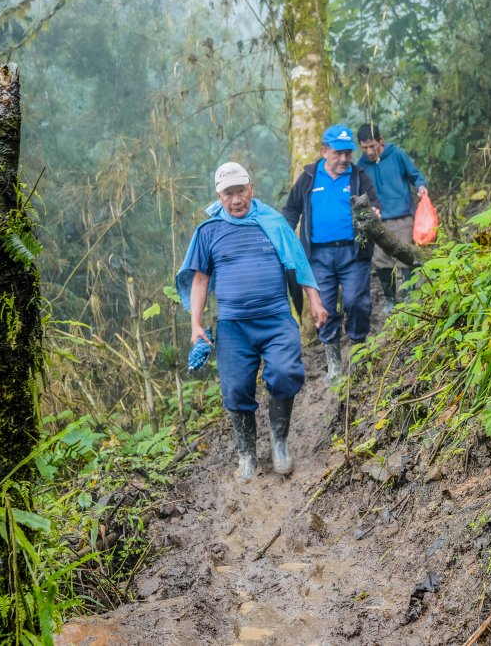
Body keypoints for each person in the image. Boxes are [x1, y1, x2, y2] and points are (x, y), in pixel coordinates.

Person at [176, 162, 329, 483]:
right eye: (228, 194)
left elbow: (299, 261)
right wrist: (196, 325)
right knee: (235, 388)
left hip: (275, 318)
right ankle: (246, 454)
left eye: (240, 191)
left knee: (287, 372)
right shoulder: (208, 231)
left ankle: (279, 442)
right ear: (219, 196)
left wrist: (315, 300)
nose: (236, 200)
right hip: (233, 326)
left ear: (251, 189)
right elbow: (200, 281)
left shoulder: (272, 222)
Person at [282, 125, 381, 385]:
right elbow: (290, 210)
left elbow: (375, 204)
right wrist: (287, 239)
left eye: (348, 153)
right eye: (338, 153)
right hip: (318, 256)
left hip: (353, 253)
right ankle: (334, 362)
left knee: (356, 302)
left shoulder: (358, 176)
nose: (344, 159)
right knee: (323, 308)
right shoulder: (308, 177)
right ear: (324, 151)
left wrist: (375, 214)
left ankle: (358, 351)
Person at [356, 123, 428, 316]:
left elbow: (415, 175)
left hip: (403, 217)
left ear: (381, 141)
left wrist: (421, 186)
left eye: (373, 146)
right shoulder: (360, 167)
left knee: (405, 256)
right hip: (378, 221)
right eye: (365, 148)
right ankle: (391, 300)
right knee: (381, 260)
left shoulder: (397, 155)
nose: (370, 151)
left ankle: (410, 298)